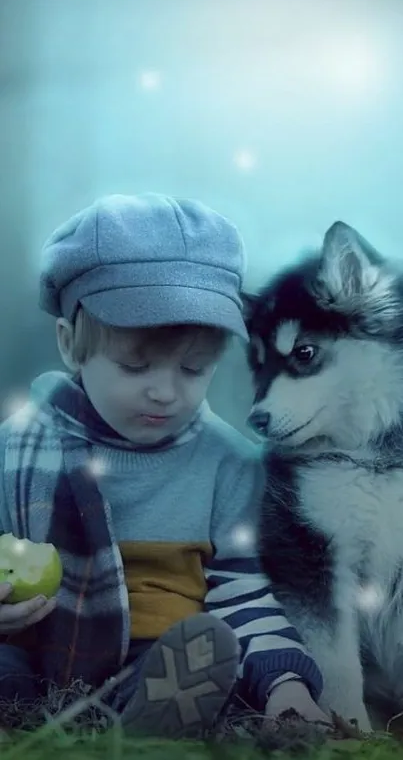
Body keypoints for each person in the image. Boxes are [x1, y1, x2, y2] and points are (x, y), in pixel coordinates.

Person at [0, 193, 328, 738]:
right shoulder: (18, 447)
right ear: (70, 346)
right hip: (37, 647)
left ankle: (147, 718)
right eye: (134, 366)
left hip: (156, 657)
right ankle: (22, 710)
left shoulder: (229, 465)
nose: (165, 392)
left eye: (194, 368)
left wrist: (285, 683)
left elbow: (242, 593)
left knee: (205, 654)